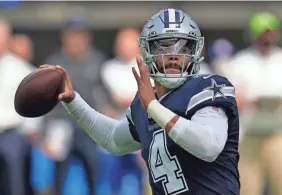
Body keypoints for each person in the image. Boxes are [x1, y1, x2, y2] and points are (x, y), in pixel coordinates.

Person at [41, 9, 240, 195]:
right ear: (147, 51)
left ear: (195, 51)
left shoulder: (208, 87)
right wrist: (73, 100)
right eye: (164, 45)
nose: (173, 55)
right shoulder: (143, 103)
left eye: (183, 46)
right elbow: (113, 139)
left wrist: (153, 107)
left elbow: (209, 146)